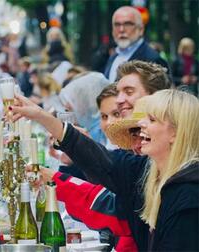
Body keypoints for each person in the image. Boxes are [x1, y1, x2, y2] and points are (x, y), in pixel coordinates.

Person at [11, 87, 199, 251]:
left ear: (175, 133)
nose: (141, 123)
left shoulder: (188, 196)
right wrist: (40, 115)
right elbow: (101, 161)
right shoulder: (148, 171)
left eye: (151, 119)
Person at [104, 6, 169, 82]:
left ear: (141, 29)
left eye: (128, 24)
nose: (121, 30)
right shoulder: (113, 57)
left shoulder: (153, 59)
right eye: (117, 24)